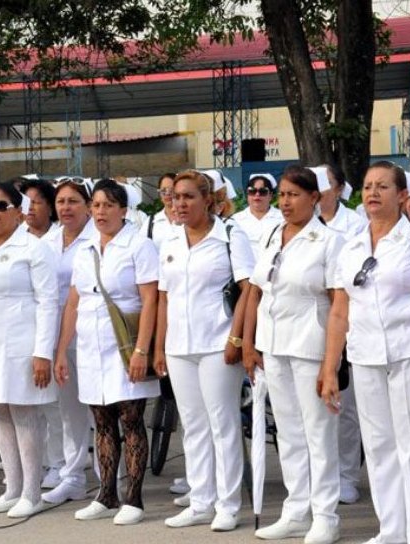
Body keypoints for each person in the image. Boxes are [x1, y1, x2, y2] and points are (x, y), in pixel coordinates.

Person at [319, 161, 410, 544]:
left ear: (402, 196)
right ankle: (391, 530)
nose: (373, 193)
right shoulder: (350, 246)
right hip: (365, 355)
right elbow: (339, 310)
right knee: (380, 445)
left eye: (383, 186)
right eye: (368, 186)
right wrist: (330, 368)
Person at [243, 166, 343, 543]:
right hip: (274, 345)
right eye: (281, 194)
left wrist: (331, 362)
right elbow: (256, 290)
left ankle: (326, 515)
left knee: (318, 432)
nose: (284, 202)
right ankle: (296, 508)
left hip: (310, 345)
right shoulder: (274, 234)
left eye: (293, 195)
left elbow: (338, 304)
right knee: (287, 432)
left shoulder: (328, 241)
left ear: (314, 198)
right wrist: (249, 344)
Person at [55, 179, 159, 526]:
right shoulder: (85, 249)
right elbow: (74, 302)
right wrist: (60, 351)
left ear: (123, 210)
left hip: (125, 344)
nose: (100, 212)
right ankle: (106, 492)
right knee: (101, 422)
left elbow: (150, 301)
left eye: (108, 206)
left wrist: (143, 349)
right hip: (90, 344)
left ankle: (134, 496)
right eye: (96, 205)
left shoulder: (138, 246)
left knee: (130, 420)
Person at [155, 169, 253, 532]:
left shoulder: (229, 235)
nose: (180, 204)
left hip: (218, 343)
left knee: (222, 423)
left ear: (207, 200)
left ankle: (228, 504)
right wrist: (160, 346)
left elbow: (248, 290)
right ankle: (200, 500)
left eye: (188, 197)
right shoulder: (169, 241)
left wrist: (237, 339)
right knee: (193, 425)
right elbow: (164, 298)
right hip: (179, 345)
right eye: (176, 197)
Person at [0, 181, 59, 518]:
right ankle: (12, 488)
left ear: (18, 212)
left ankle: (32, 492)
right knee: (1, 413)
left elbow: (49, 302)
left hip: (21, 340)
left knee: (24, 414)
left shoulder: (33, 248)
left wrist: (42, 352)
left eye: (1, 206)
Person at [310, 165, 367, 506]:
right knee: (314, 410)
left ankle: (347, 476)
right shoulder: (303, 225)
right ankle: (319, 479)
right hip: (310, 324)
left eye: (325, 184)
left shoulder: (355, 226)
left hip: (344, 321)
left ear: (339, 188)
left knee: (345, 408)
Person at [41, 179, 95, 505]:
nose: (66, 208)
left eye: (73, 201)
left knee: (101, 411)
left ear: (87, 205)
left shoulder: (97, 239)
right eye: (61, 201)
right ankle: (73, 476)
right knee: (69, 411)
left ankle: (111, 476)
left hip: (89, 334)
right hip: (58, 337)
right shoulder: (47, 241)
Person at [20, 178, 63, 488]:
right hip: (24, 331)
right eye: (25, 202)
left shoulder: (59, 238)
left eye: (36, 202)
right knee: (30, 401)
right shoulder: (17, 240)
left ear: (50, 206)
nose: (30, 208)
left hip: (58, 326)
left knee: (56, 403)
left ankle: (61, 463)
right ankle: (41, 461)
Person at [232, 173, 283, 259]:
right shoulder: (235, 220)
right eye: (252, 191)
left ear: (270, 195)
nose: (257, 195)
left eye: (263, 192)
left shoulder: (282, 219)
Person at [139, 173, 179, 249]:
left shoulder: (187, 219)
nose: (167, 194)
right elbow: (141, 248)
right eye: (163, 190)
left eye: (171, 190)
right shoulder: (151, 222)